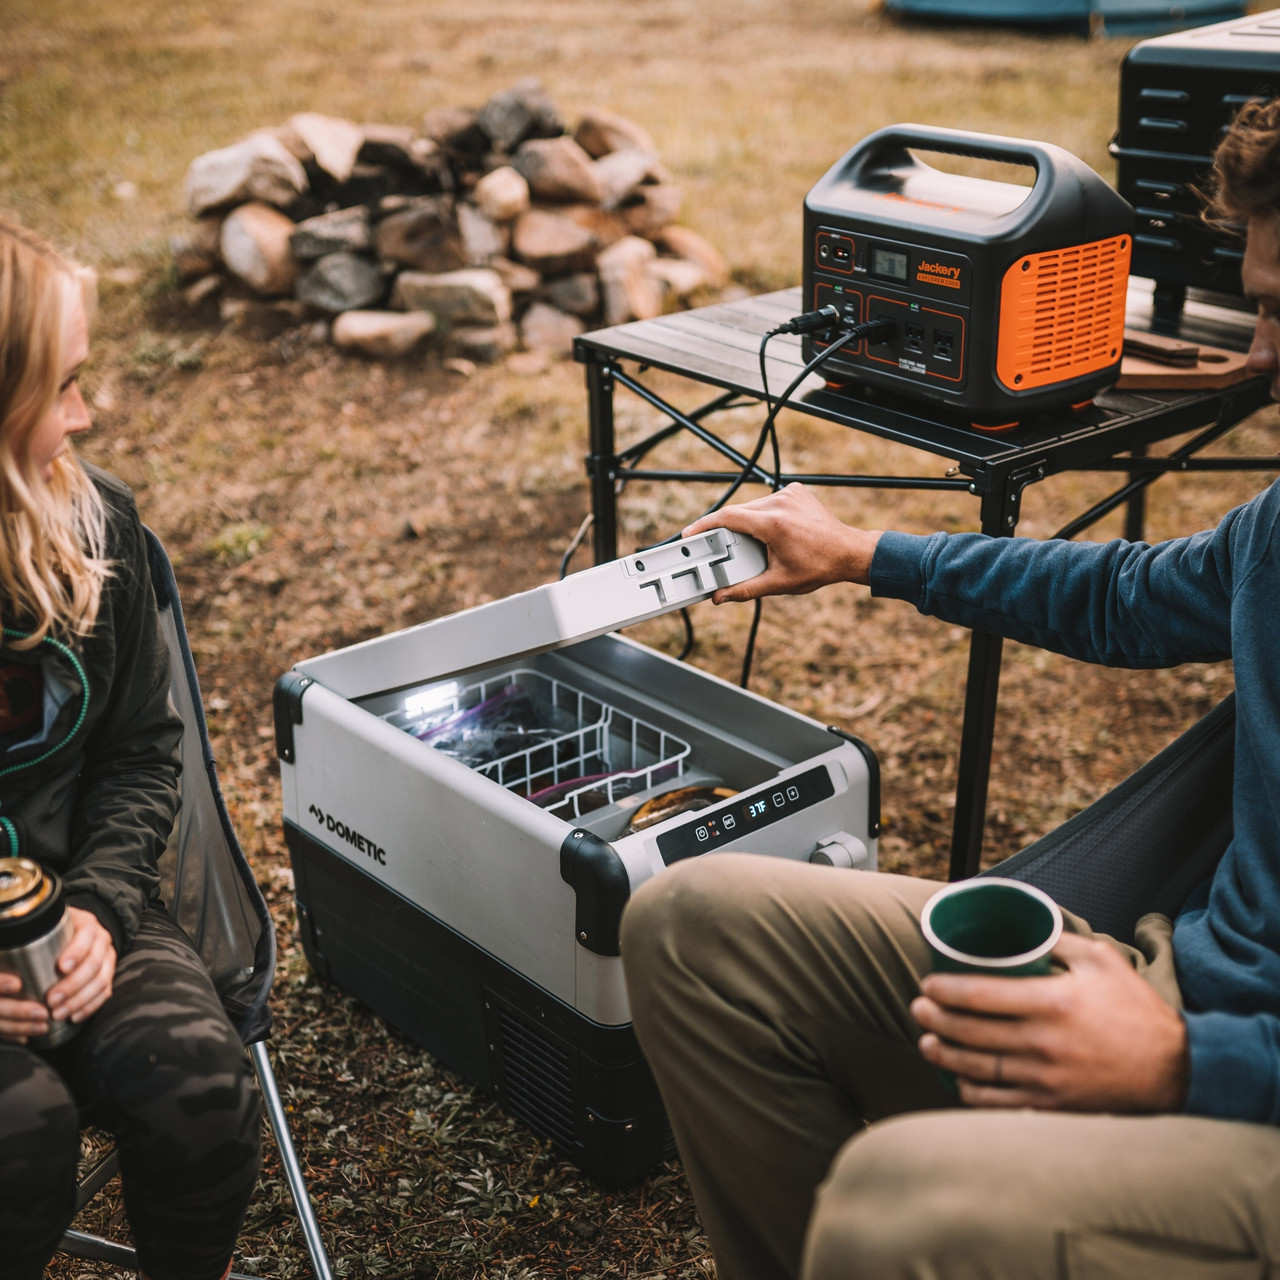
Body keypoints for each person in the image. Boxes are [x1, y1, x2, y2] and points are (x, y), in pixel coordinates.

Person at [621, 99, 1280, 1280]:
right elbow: (1135, 594)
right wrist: (868, 553)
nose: (1260, 356)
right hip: (1153, 977)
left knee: (899, 1202)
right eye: (1261, 302)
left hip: (1234, 1087)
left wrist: (1192, 1062)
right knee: (692, 921)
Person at [0, 217, 261, 1280]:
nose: (87, 412)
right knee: (21, 1131)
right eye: (58, 388)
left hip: (72, 901)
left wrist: (103, 906)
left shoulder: (91, 523)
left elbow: (142, 748)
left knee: (197, 1086)